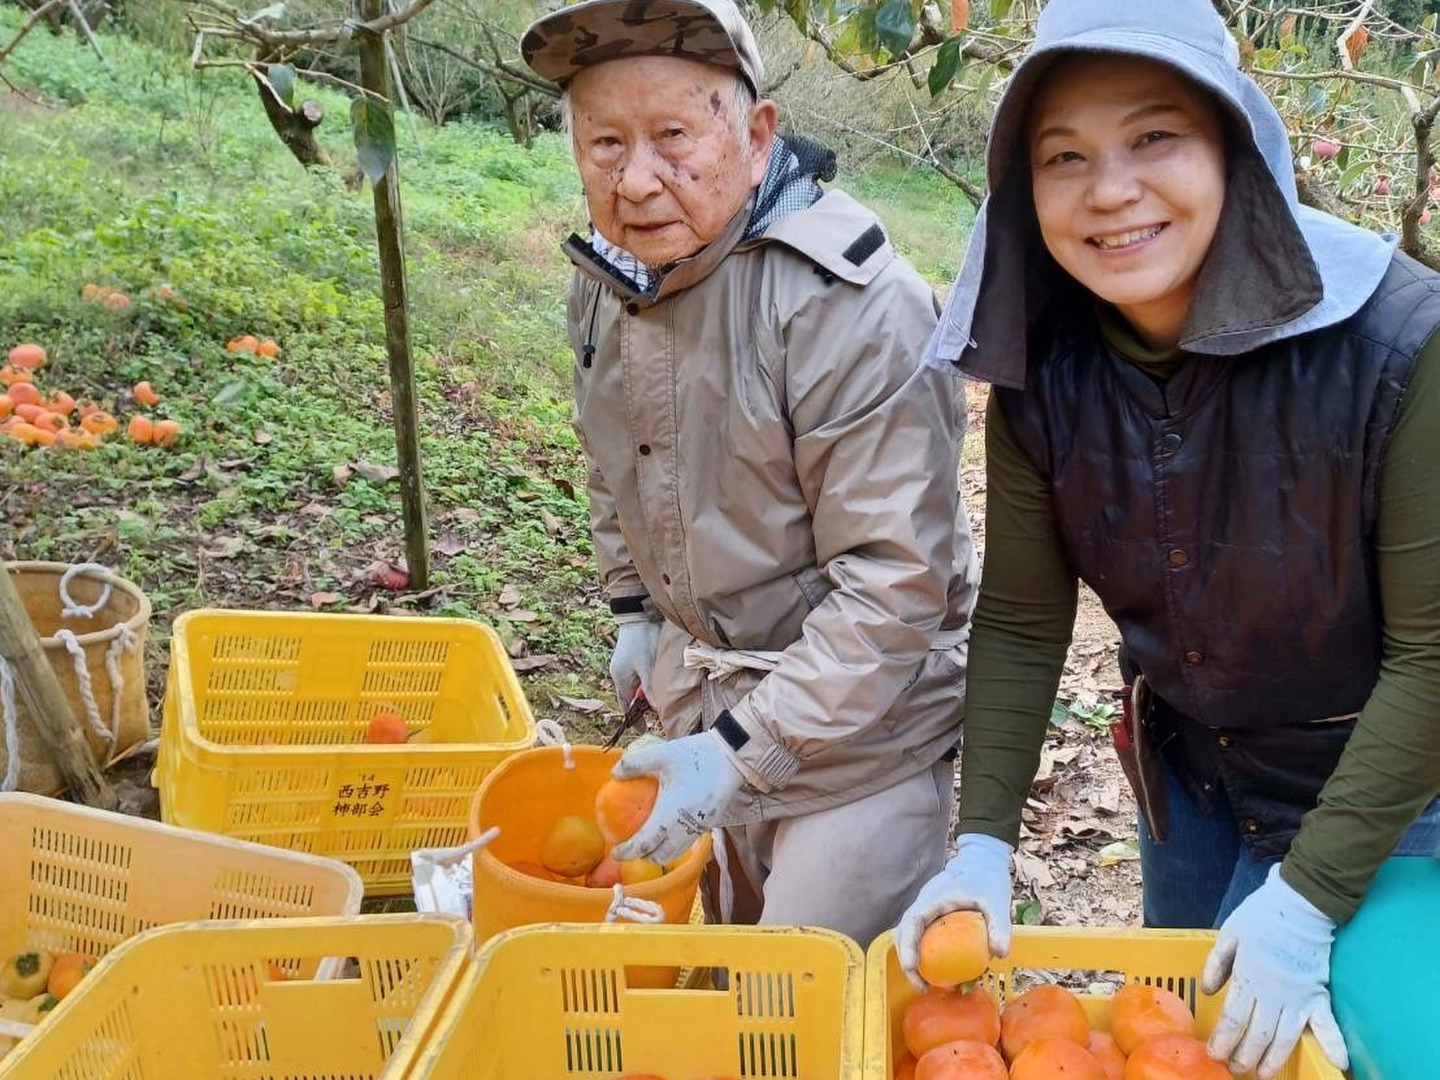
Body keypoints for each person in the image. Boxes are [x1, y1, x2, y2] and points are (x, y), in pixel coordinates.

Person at [893, 0, 1440, 1076]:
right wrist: (983, 843)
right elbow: (1021, 619)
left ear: (1236, 147)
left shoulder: (1398, 347)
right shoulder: (1044, 367)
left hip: (1393, 788)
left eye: (1155, 137)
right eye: (1064, 156)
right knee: (1182, 1042)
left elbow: (1434, 656)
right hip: (1195, 777)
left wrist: (1309, 899)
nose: (1110, 191)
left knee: (1379, 1044)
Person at [520, 0, 979, 946]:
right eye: (604, 142)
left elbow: (896, 584)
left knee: (793, 990)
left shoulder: (848, 306)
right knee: (724, 959)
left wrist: (738, 750)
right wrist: (637, 613)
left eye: (673, 136)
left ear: (757, 136)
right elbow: (614, 460)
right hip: (707, 707)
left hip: (863, 740)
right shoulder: (611, 282)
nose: (636, 179)